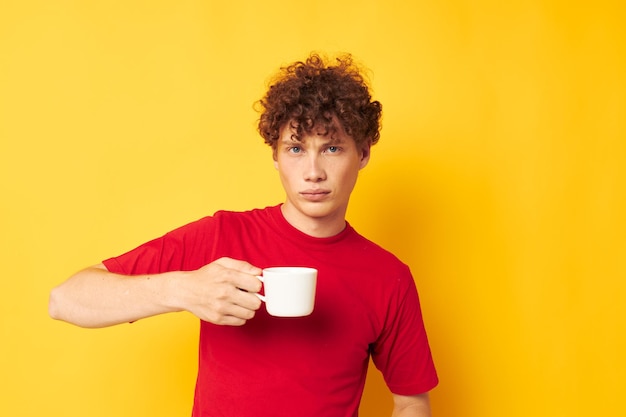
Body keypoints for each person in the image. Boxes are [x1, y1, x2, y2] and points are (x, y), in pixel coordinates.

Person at [49, 53, 438, 417]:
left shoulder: (389, 277)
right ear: (275, 156)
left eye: (333, 148)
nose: (313, 171)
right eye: (296, 148)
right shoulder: (221, 236)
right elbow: (65, 299)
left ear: (364, 154)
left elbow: (412, 403)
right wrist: (184, 290)